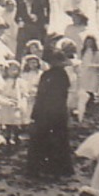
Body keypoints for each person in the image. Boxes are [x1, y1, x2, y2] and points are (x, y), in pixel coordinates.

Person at [26, 40, 75, 180]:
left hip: (48, 111)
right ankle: (56, 169)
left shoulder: (50, 75)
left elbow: (42, 95)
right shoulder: (61, 75)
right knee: (57, 139)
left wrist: (36, 112)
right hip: (57, 111)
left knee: (43, 139)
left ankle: (42, 168)